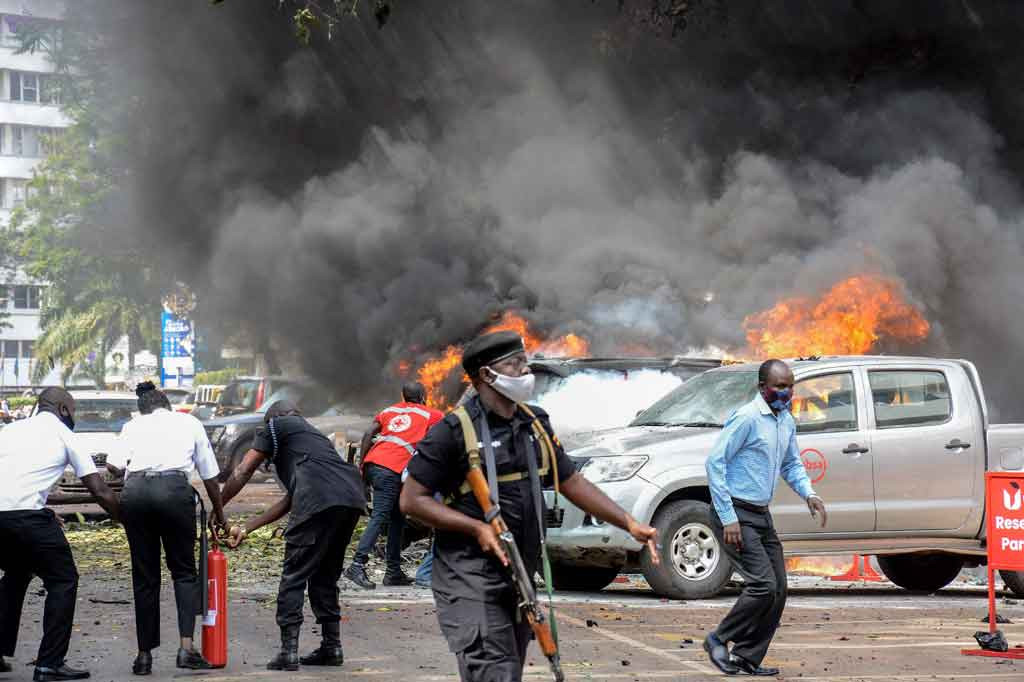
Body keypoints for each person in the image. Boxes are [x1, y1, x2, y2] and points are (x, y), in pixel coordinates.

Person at [400, 330, 660, 682]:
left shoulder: (535, 423)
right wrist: (475, 527)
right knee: (495, 669)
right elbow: (411, 500)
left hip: (519, 573)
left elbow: (571, 482)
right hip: (469, 575)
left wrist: (629, 522)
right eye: (514, 364)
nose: (525, 371)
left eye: (524, 362)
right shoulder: (453, 430)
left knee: (507, 667)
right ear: (486, 375)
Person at [220, 400, 366, 671]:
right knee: (325, 575)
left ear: (273, 418)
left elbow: (243, 470)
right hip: (350, 498)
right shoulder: (314, 438)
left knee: (294, 576)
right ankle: (332, 647)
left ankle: (288, 652)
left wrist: (217, 509)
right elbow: (291, 499)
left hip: (319, 498)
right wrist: (247, 528)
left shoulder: (275, 425)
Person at [703, 359, 828, 676]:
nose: (787, 392)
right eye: (779, 386)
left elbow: (792, 464)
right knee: (762, 585)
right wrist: (728, 517)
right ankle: (718, 639)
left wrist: (809, 494)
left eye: (790, 386)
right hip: (737, 514)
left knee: (778, 589)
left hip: (761, 514)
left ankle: (747, 656)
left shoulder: (785, 421)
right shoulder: (747, 418)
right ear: (763, 387)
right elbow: (715, 463)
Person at [0, 387, 120, 682]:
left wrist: (38, 506)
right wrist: (129, 520)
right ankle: (49, 664)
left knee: (16, 574)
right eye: (74, 410)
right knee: (63, 580)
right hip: (29, 520)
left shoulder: (9, 431)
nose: (74, 416)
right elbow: (99, 490)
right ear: (64, 409)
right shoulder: (65, 435)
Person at [117, 382, 227, 675]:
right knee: (184, 572)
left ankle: (144, 656)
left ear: (143, 409)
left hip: (135, 493)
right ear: (167, 405)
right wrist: (219, 514)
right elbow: (210, 476)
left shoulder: (132, 426)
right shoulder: (189, 422)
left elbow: (114, 467)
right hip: (174, 493)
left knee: (145, 576)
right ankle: (186, 649)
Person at [344, 381, 443, 589]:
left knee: (397, 519)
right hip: (391, 469)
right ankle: (357, 565)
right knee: (380, 515)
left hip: (374, 464)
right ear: (424, 396)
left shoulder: (389, 410)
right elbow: (438, 442)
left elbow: (368, 434)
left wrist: (362, 467)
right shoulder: (432, 414)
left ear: (404, 396)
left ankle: (393, 572)